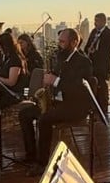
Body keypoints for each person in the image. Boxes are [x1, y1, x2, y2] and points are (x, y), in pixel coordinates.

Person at [19, 28, 94, 175]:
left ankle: (42, 163)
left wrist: (56, 81)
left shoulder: (84, 62)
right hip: (57, 102)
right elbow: (55, 77)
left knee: (44, 120)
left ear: (74, 42)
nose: (59, 45)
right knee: (24, 114)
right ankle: (31, 155)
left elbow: (78, 88)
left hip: (74, 106)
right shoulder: (61, 58)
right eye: (59, 41)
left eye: (62, 42)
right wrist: (49, 82)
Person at [84, 13, 110, 119]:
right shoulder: (93, 32)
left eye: (97, 21)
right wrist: (88, 51)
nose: (95, 23)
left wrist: (94, 52)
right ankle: (94, 108)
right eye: (94, 20)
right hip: (93, 64)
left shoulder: (109, 34)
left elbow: (106, 51)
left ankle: (103, 109)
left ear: (103, 22)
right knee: (94, 85)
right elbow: (87, 46)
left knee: (102, 87)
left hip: (103, 65)